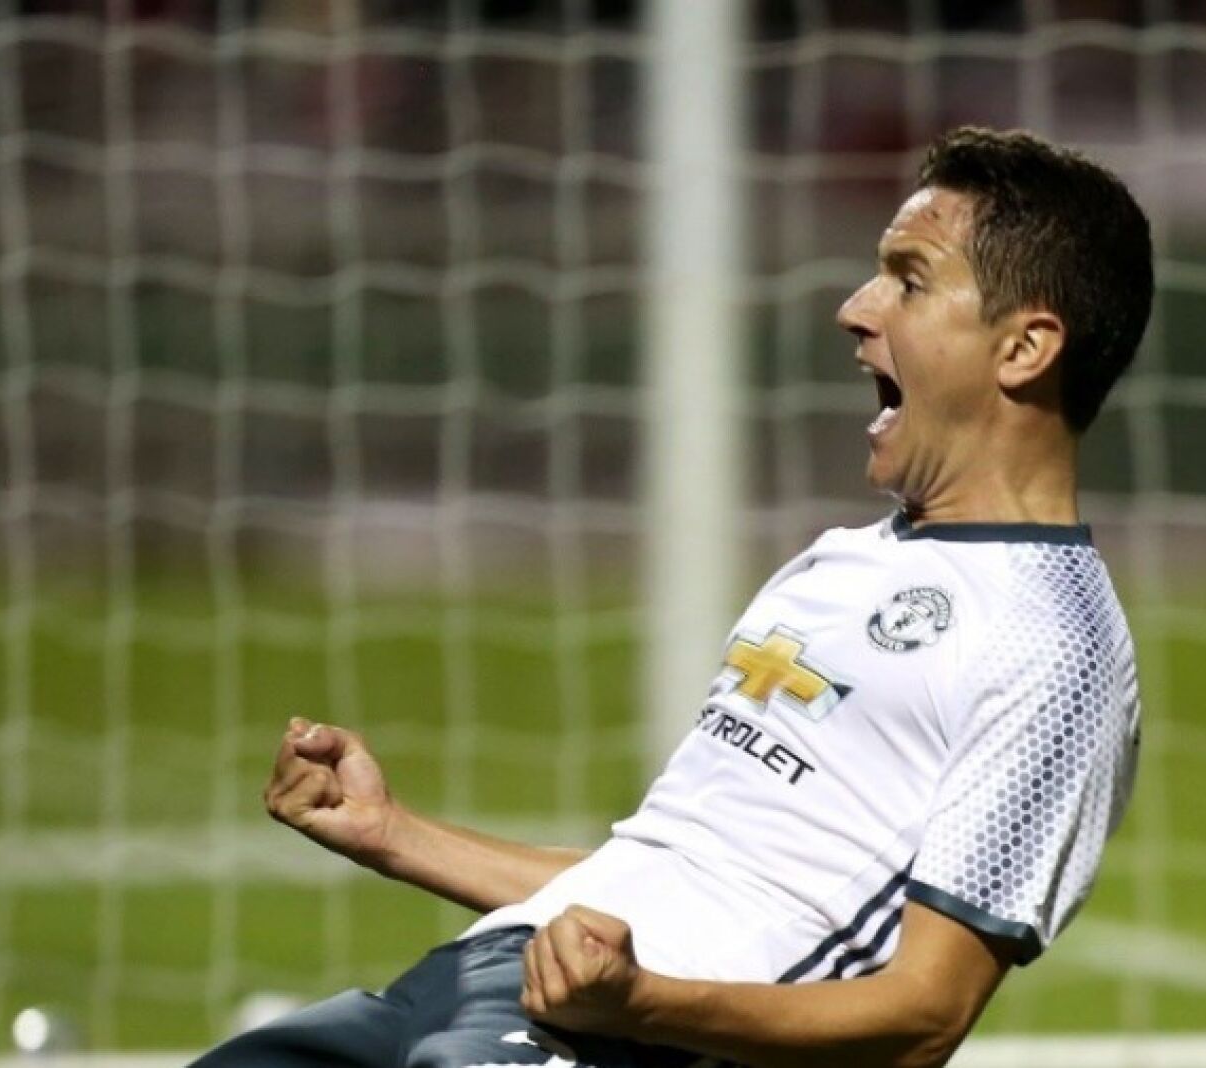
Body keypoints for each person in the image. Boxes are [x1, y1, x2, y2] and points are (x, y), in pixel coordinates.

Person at [194, 126, 1153, 1068]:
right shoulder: (839, 564)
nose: (856, 310)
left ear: (1024, 348)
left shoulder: (1055, 649)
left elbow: (922, 1019)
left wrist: (642, 1003)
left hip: (637, 1044)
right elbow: (666, 877)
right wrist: (392, 834)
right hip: (473, 986)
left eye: (908, 280)